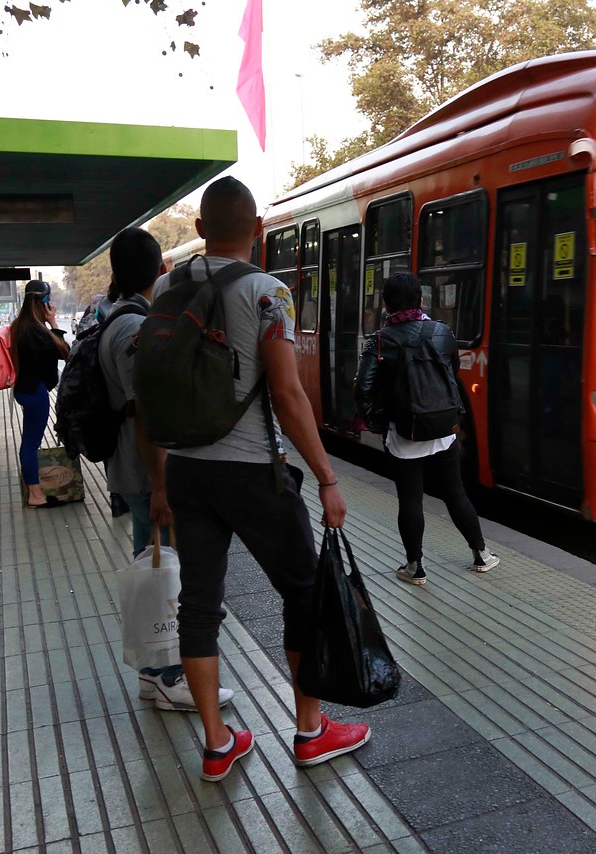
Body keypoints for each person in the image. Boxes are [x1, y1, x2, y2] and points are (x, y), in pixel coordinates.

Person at [150, 176, 369, 781]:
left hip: (188, 469)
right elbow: (287, 393)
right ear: (258, 230)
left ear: (198, 231)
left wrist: (160, 480)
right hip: (253, 473)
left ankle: (218, 745)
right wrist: (326, 477)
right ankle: (310, 730)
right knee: (303, 593)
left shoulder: (170, 285)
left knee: (199, 605)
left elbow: (156, 388)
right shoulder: (270, 293)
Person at [98, 227, 233, 713]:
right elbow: (145, 413)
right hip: (145, 473)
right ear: (160, 271)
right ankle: (170, 675)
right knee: (167, 573)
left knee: (154, 566)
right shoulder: (134, 328)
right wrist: (161, 485)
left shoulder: (118, 317)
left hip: (133, 470)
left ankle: (153, 673)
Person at [354, 271, 499, 586]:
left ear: (385, 303)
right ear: (420, 300)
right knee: (454, 492)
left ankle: (415, 567)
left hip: (404, 431)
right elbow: (452, 372)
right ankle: (481, 554)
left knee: (410, 498)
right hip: (443, 427)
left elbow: (363, 388)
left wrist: (378, 422)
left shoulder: (381, 340)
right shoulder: (442, 332)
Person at [11, 280, 71, 509]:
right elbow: (64, 352)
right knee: (30, 444)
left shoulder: (20, 326)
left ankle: (34, 490)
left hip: (25, 389)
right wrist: (53, 321)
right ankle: (35, 494)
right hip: (35, 392)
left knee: (28, 443)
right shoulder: (36, 330)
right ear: (42, 302)